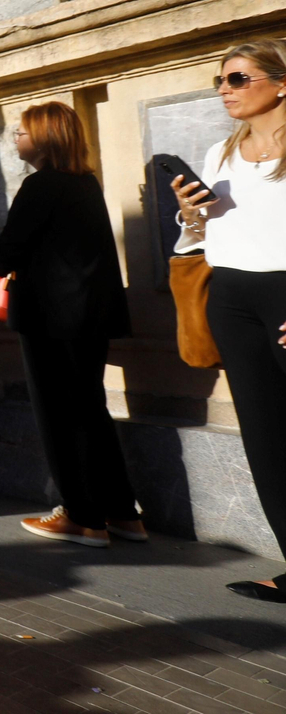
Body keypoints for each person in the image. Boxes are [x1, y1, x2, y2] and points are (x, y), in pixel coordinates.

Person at [0, 102, 139, 548]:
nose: (16, 138)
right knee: (90, 410)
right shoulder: (85, 183)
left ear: (44, 139)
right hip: (91, 315)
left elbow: (9, 247)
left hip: (51, 317)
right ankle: (122, 513)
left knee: (59, 416)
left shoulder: (41, 185)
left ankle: (82, 516)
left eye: (22, 132)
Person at [171, 40, 286, 598]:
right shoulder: (221, 153)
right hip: (232, 298)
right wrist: (190, 216)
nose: (224, 89)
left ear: (281, 83)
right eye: (220, 80)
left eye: (238, 78)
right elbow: (200, 236)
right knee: (265, 437)